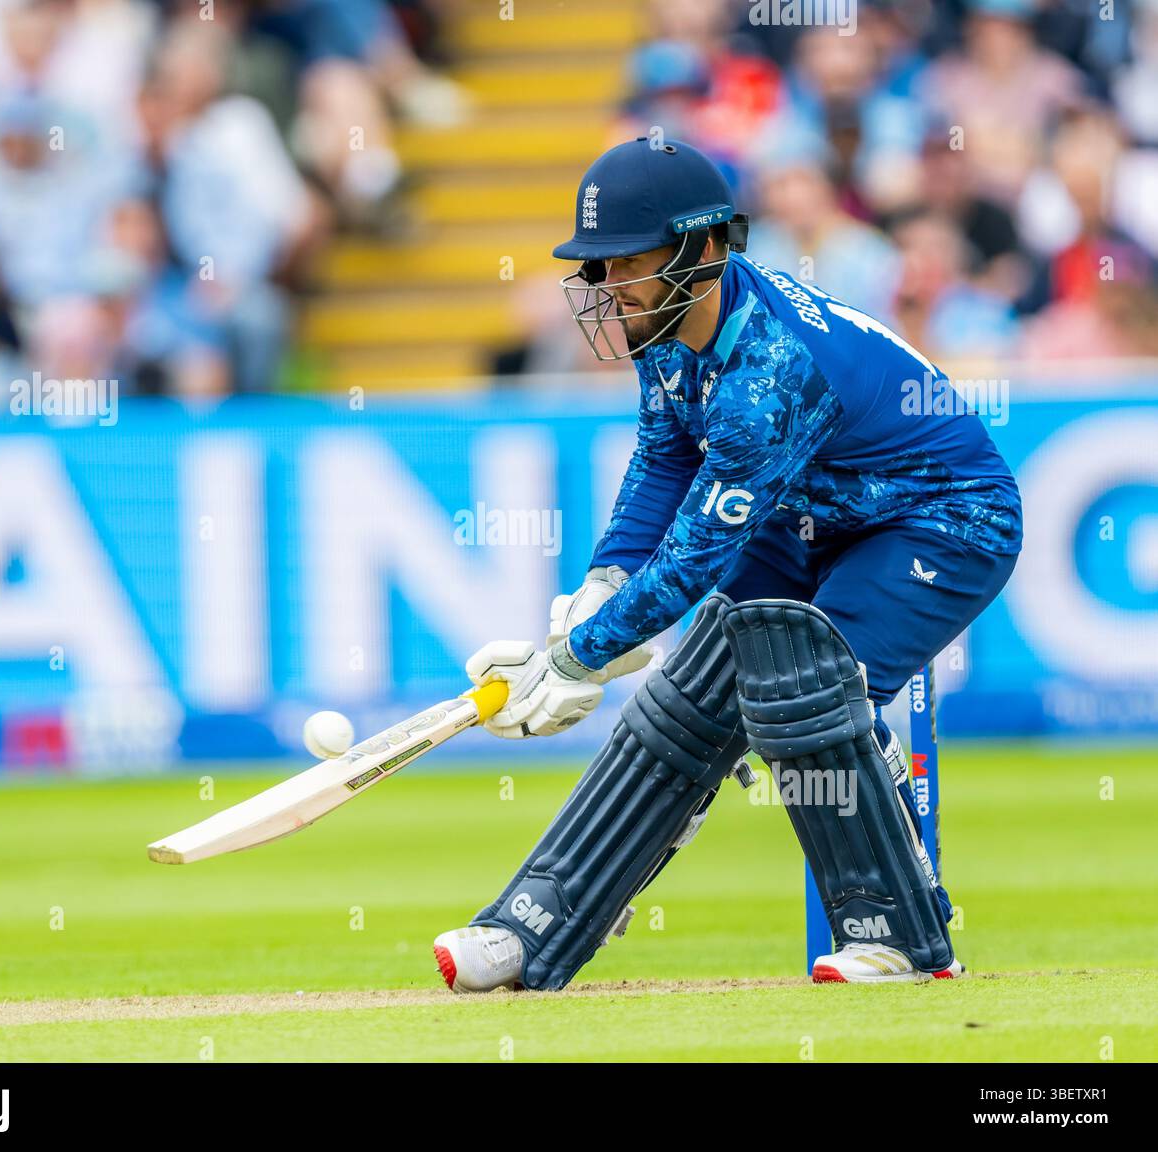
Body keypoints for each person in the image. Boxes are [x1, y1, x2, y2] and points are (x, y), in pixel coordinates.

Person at [433, 138, 1022, 991]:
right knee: (685, 709)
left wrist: (576, 657)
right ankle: (540, 922)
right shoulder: (664, 323)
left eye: (627, 262)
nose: (608, 288)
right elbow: (663, 455)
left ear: (706, 250)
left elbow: (696, 558)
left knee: (804, 687)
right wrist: (601, 585)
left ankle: (900, 940)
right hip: (814, 513)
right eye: (599, 267)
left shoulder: (770, 372)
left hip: (939, 518)